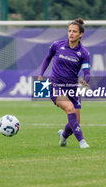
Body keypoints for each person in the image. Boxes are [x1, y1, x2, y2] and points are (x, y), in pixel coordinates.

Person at [38, 18, 91, 149]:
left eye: (74, 31)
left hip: (72, 87)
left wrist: (86, 79)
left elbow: (87, 71)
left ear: (80, 34)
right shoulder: (57, 45)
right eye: (69, 31)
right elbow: (47, 58)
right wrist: (41, 74)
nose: (71, 33)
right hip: (55, 85)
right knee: (70, 109)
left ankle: (63, 136)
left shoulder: (83, 53)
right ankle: (82, 141)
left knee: (76, 121)